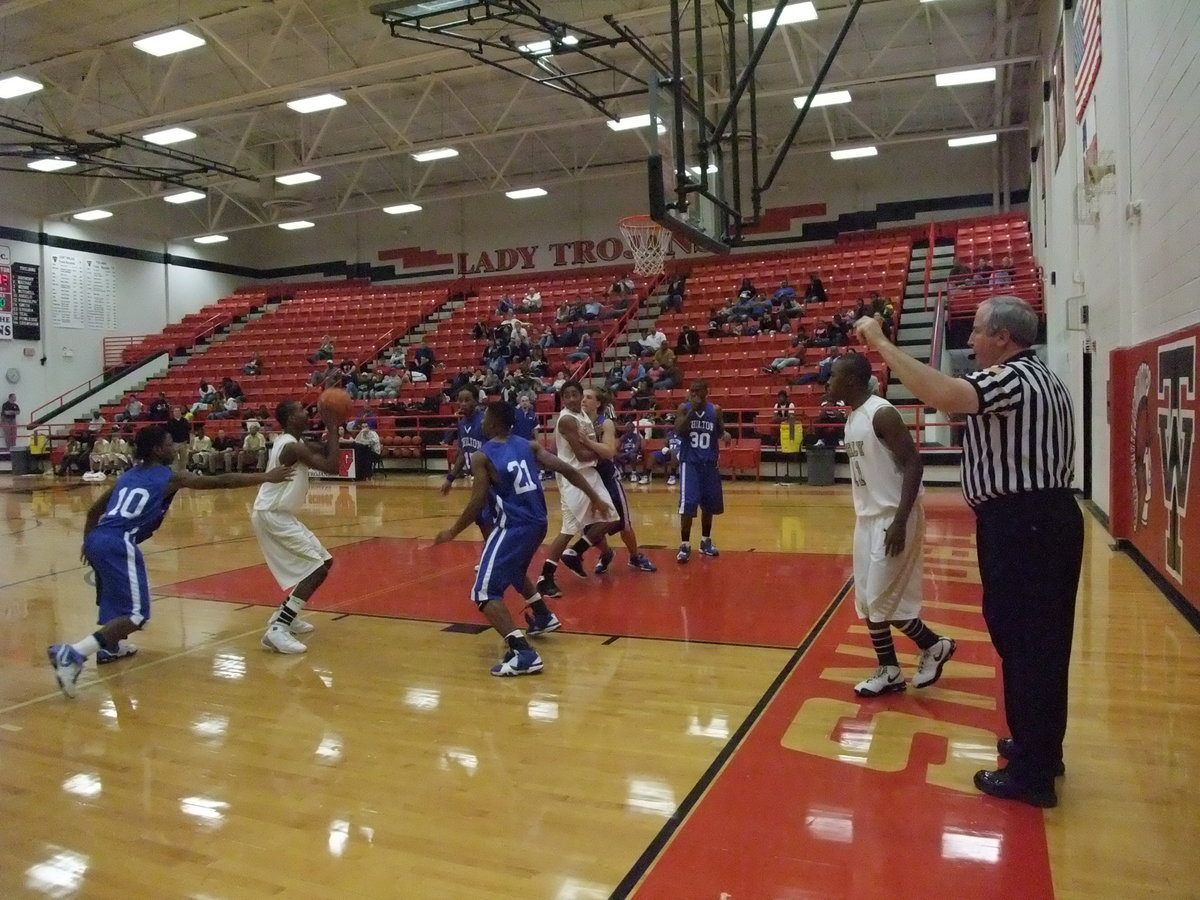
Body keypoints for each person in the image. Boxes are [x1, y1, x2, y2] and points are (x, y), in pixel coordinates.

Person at [854, 295, 1080, 808]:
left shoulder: (1013, 377)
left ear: (1004, 336)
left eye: (977, 331)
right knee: (1034, 645)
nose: (971, 340)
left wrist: (884, 343)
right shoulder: (1037, 377)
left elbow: (947, 395)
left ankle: (1033, 773)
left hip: (1027, 525)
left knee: (1028, 646)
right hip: (1035, 523)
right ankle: (1038, 748)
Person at [46, 425, 293, 697]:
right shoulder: (168, 477)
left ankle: (110, 647)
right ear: (156, 450)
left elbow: (93, 511)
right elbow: (220, 481)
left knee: (116, 599)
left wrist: (88, 543)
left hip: (98, 538)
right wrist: (267, 476)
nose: (174, 448)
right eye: (168, 444)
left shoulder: (127, 476)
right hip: (118, 541)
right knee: (137, 614)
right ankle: (73, 654)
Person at [434, 400, 609, 676]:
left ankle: (523, 652)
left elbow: (477, 502)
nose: (481, 421)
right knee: (514, 571)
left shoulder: (483, 456)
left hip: (513, 526)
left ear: (492, 423)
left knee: (483, 592)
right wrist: (595, 497)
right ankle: (542, 615)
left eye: (485, 417)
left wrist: (452, 531)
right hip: (538, 523)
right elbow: (568, 470)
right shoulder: (529, 445)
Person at [826, 352, 956, 697]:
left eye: (833, 375)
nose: (828, 381)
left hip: (894, 516)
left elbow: (914, 464)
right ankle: (899, 667)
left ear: (851, 381)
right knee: (871, 601)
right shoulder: (852, 418)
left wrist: (900, 521)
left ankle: (928, 648)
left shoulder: (881, 413)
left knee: (881, 601)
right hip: (867, 518)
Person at [254, 400, 343, 654]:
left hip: (282, 514)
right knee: (315, 570)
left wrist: (331, 428)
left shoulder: (296, 443)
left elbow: (326, 450)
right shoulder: (291, 447)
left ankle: (284, 616)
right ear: (291, 419)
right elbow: (332, 466)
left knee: (324, 562)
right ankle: (277, 630)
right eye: (301, 410)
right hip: (271, 514)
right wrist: (333, 427)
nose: (307, 412)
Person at [535, 381, 619, 598]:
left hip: (590, 475)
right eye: (567, 395)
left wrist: (595, 443)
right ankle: (545, 577)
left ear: (581, 396)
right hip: (574, 477)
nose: (571, 399)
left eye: (575, 395)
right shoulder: (567, 420)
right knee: (569, 529)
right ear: (563, 399)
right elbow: (582, 455)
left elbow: (558, 447)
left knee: (610, 517)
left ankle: (575, 552)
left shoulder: (582, 415)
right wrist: (604, 452)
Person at [585, 388, 657, 573]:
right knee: (589, 525)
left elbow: (609, 451)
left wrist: (585, 444)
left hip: (607, 477)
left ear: (598, 403)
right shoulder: (575, 423)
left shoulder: (605, 423)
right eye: (582, 397)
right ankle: (606, 553)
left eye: (588, 397)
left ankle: (634, 556)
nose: (583, 400)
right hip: (587, 479)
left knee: (623, 522)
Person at [674, 380, 730, 562]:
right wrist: (692, 411)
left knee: (709, 506)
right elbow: (679, 431)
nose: (695, 393)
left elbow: (720, 431)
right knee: (688, 505)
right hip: (690, 464)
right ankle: (684, 545)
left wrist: (725, 435)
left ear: (707, 391)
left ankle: (705, 541)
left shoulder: (715, 410)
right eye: (692, 390)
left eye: (699, 390)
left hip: (709, 465)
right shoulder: (684, 407)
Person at [441, 389, 493, 540]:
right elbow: (463, 454)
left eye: (467, 400)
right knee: (480, 518)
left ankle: (494, 553)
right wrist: (450, 478)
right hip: (477, 479)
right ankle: (489, 550)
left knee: (487, 517)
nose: (463, 404)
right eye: (460, 400)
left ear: (475, 401)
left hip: (491, 478)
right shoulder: (462, 424)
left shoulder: (484, 421)